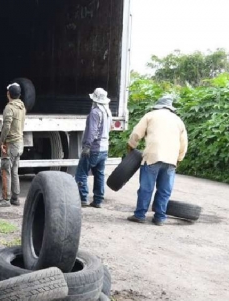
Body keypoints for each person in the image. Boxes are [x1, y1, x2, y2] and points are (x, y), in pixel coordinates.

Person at [126, 95, 188, 226]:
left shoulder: (150, 115)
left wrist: (131, 146)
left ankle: (140, 215)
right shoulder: (178, 121)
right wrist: (179, 159)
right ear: (170, 107)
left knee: (146, 188)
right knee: (165, 190)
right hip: (171, 158)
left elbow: (137, 133)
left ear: (158, 105)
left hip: (152, 157)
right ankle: (160, 218)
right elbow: (184, 144)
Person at [0, 83, 26, 208]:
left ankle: (5, 199)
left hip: (10, 144)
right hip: (20, 143)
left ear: (8, 94)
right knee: (15, 171)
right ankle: (15, 198)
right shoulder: (22, 107)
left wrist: (1, 142)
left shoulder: (9, 108)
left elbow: (6, 127)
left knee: (5, 171)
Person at [76, 88, 112, 208]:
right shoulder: (107, 112)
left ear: (95, 100)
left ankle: (83, 198)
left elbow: (92, 131)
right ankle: (98, 200)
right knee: (99, 174)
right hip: (104, 148)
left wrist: (87, 147)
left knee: (81, 173)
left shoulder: (95, 112)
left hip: (94, 148)